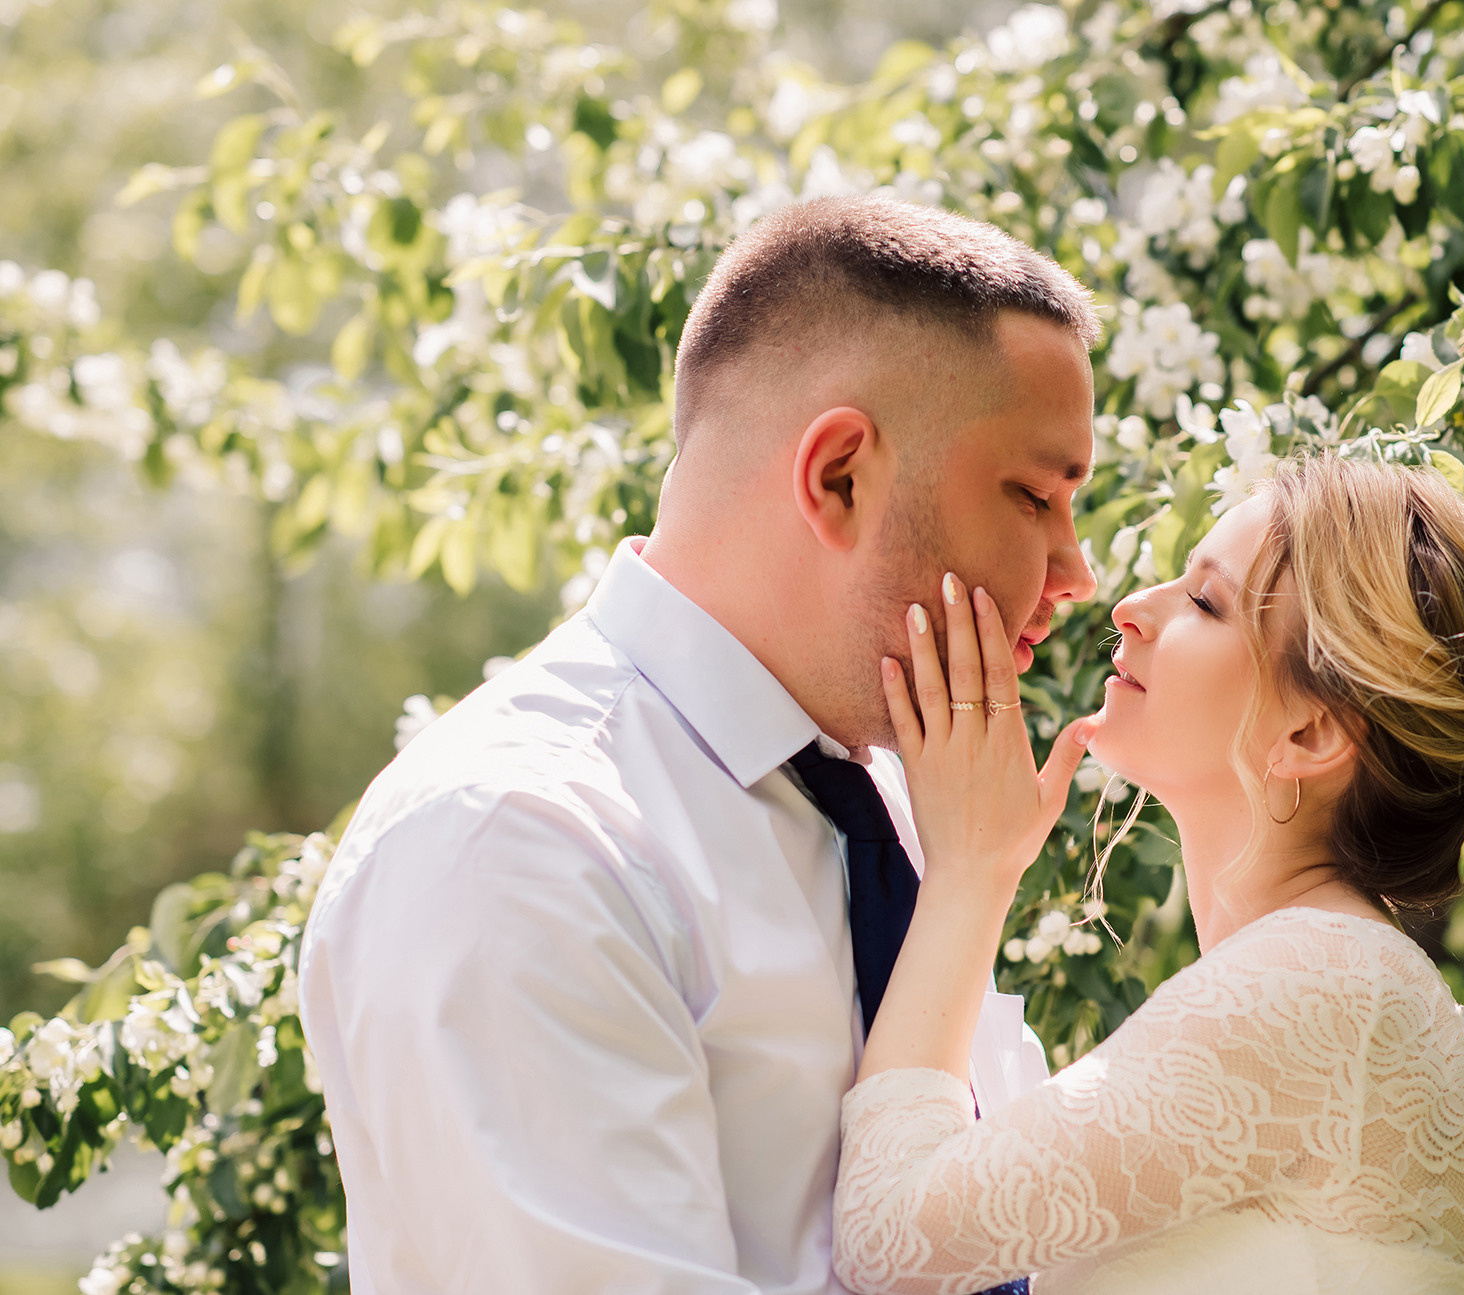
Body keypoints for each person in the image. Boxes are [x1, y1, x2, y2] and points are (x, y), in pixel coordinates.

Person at [296, 195, 1102, 1294]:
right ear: (839, 476)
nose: (1075, 572)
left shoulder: (911, 814)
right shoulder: (516, 842)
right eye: (1032, 494)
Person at [831, 454, 1464, 1294]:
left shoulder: (1324, 985)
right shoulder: (1341, 982)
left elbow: (887, 1240)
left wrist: (970, 874)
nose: (1130, 609)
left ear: (1310, 734)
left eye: (1205, 603)